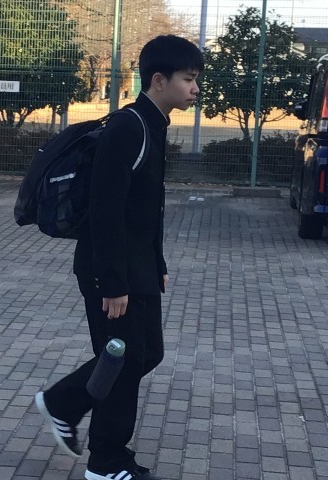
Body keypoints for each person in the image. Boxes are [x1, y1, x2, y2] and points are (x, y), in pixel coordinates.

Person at [34, 35, 204, 480]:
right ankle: (106, 462)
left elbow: (146, 208)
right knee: (122, 360)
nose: (195, 88)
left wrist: (157, 264)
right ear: (159, 80)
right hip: (110, 270)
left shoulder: (153, 123)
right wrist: (112, 283)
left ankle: (63, 402)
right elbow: (105, 211)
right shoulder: (128, 128)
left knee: (145, 354)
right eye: (189, 79)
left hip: (138, 266)